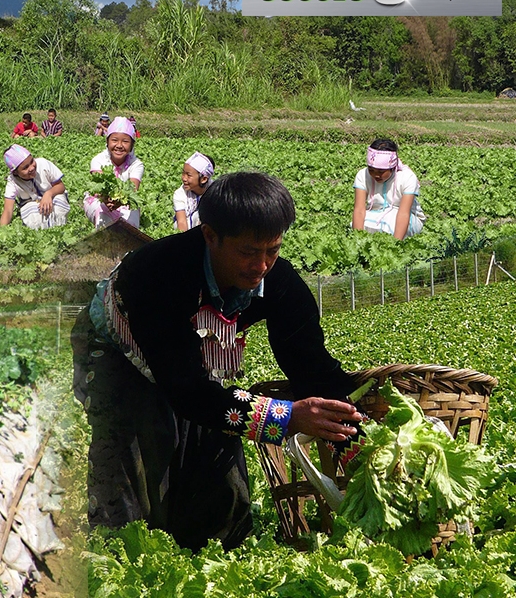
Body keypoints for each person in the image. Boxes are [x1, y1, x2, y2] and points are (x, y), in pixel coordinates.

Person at [70, 172, 364, 551]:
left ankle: (211, 549)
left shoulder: (280, 282)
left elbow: (310, 364)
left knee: (219, 469)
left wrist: (355, 421)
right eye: (248, 252)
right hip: (115, 352)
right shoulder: (162, 273)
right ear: (210, 235)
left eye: (272, 250)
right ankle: (121, 550)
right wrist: (285, 416)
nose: (261, 266)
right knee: (140, 450)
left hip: (189, 369)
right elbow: (187, 391)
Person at [352, 139, 425, 240]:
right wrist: (357, 239)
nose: (376, 175)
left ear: (392, 167)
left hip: (405, 216)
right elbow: (359, 210)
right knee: (359, 222)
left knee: (389, 222)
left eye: (381, 171)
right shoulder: (362, 175)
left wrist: (395, 245)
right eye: (371, 170)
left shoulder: (407, 177)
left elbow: (404, 213)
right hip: (375, 212)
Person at [83, 117, 144, 229]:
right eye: (114, 140)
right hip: (100, 199)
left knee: (130, 222)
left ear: (131, 145)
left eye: (125, 141)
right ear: (107, 141)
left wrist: (120, 201)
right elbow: (100, 188)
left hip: (125, 201)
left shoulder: (136, 164)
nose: (119, 145)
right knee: (104, 215)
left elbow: (133, 187)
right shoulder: (98, 160)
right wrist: (107, 199)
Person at [0, 144, 70, 229]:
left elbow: (60, 186)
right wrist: (2, 231)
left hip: (53, 196)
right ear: (15, 172)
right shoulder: (13, 181)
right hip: (33, 204)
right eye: (25, 168)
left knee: (59, 206)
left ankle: (56, 225)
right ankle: (46, 228)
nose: (32, 168)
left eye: (32, 161)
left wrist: (48, 194)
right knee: (31, 214)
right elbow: (8, 210)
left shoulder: (43, 164)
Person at [174, 152, 215, 231]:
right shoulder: (179, 194)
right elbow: (181, 222)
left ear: (204, 179)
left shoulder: (215, 191)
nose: (184, 178)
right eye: (183, 173)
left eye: (188, 175)